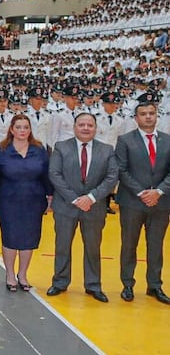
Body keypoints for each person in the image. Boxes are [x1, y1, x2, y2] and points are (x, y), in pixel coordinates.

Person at [47, 113, 118, 302]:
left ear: (96, 128)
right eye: (82, 125)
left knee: (93, 248)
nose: (86, 128)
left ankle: (93, 285)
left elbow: (112, 178)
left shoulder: (107, 149)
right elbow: (54, 174)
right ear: (74, 127)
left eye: (90, 125)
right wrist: (76, 199)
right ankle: (60, 282)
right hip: (65, 206)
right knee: (62, 246)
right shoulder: (61, 147)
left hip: (94, 207)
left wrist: (91, 197)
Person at [115, 93, 170, 305]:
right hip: (132, 202)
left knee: (156, 245)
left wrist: (158, 192)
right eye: (143, 114)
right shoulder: (125, 140)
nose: (148, 117)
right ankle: (127, 284)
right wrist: (142, 193)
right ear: (136, 118)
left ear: (157, 116)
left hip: (161, 202)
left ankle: (154, 285)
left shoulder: (167, 140)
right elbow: (121, 170)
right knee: (129, 244)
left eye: (151, 113)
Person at [0, 114, 53, 292]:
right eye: (18, 127)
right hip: (8, 200)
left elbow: (46, 174)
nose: (22, 131)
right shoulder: (2, 150)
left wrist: (50, 196)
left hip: (33, 200)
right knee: (10, 237)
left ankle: (23, 274)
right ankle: (10, 274)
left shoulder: (39, 149)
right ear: (11, 129)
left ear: (30, 130)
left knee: (29, 238)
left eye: (25, 127)